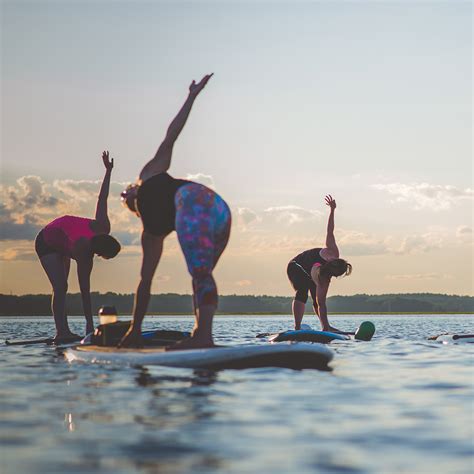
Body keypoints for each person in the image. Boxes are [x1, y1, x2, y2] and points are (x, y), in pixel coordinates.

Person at [119, 74, 231, 349]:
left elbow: (172, 135)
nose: (127, 193)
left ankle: (203, 337)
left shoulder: (148, 175)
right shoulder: (152, 231)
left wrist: (191, 96)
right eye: (125, 197)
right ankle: (201, 334)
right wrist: (135, 329)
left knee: (200, 274)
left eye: (126, 190)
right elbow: (144, 284)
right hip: (218, 207)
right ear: (132, 206)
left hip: (194, 199)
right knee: (201, 275)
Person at [35, 152, 121, 341]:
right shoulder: (84, 254)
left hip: (63, 243)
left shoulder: (103, 226)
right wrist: (90, 325)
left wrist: (108, 171)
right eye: (103, 256)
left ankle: (65, 330)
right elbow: (84, 292)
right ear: (101, 252)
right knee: (60, 287)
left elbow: (103, 198)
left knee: (63, 287)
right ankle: (61, 332)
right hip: (46, 241)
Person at [287, 195, 352, 333]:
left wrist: (326, 330)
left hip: (312, 274)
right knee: (302, 291)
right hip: (296, 265)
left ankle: (325, 327)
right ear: (335, 260)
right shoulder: (332, 251)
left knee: (317, 300)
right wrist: (332, 210)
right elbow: (330, 231)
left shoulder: (324, 280)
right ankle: (297, 328)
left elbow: (321, 304)